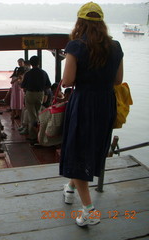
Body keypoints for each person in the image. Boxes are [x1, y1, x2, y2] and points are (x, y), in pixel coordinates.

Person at [60, 2, 124, 227]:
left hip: (84, 103)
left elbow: (67, 81)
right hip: (106, 103)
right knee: (90, 147)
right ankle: (70, 188)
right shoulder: (115, 47)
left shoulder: (76, 47)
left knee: (77, 149)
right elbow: (117, 80)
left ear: (80, 22)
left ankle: (89, 210)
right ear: (102, 23)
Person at [21, 55, 51, 142]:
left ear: (30, 63)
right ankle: (39, 133)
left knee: (32, 115)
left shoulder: (28, 74)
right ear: (39, 63)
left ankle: (33, 135)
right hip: (40, 94)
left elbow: (23, 85)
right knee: (37, 113)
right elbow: (48, 85)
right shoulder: (44, 73)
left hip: (30, 94)